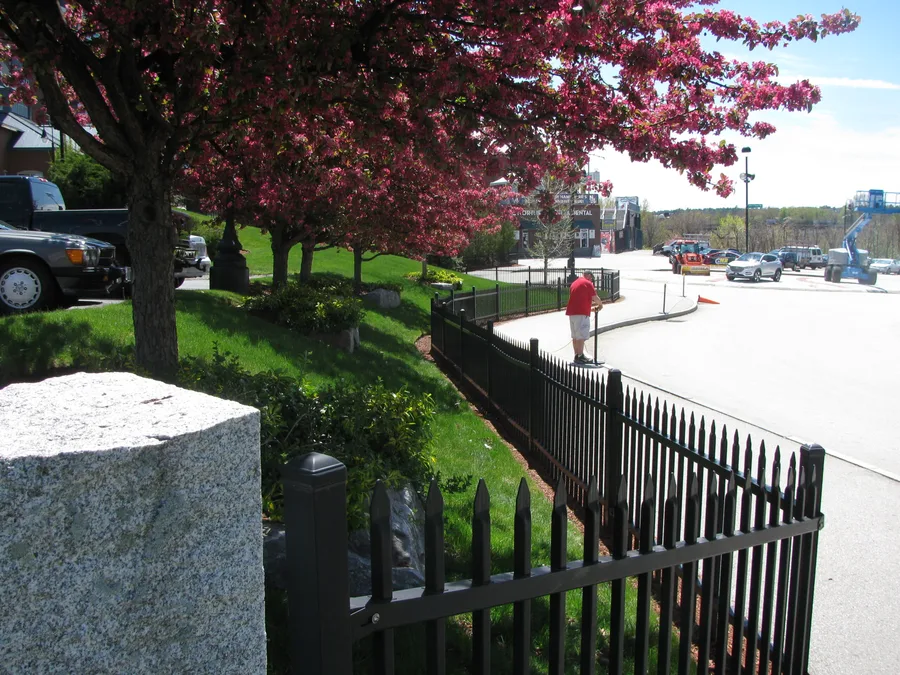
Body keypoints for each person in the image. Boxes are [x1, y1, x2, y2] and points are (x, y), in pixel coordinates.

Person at [566, 271, 602, 363]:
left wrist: (589, 309)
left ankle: (576, 355)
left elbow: (579, 300)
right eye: (591, 279)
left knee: (575, 336)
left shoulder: (575, 283)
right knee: (581, 335)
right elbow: (595, 297)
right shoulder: (587, 283)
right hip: (581, 314)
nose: (591, 281)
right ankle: (581, 355)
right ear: (589, 276)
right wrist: (600, 305)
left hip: (572, 313)